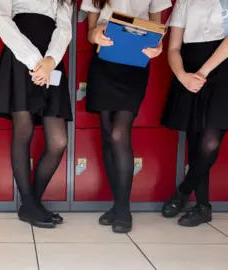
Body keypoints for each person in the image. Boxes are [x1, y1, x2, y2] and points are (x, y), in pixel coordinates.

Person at [81, 0, 172, 233]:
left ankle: (123, 209)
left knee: (119, 133)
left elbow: (157, 30)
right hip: (105, 63)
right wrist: (96, 35)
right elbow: (91, 32)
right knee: (107, 134)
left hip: (134, 65)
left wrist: (158, 47)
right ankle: (117, 205)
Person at [0, 0, 73, 228]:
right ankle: (29, 203)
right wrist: (35, 61)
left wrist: (50, 61)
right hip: (20, 56)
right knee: (23, 131)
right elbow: (1, 19)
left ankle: (31, 203)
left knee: (58, 140)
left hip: (51, 59)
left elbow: (64, 27)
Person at [161, 0, 228, 227]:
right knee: (196, 139)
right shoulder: (185, 2)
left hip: (221, 70)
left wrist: (202, 73)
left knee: (210, 142)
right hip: (189, 73)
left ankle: (182, 192)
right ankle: (202, 206)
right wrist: (182, 76)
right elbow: (173, 48)